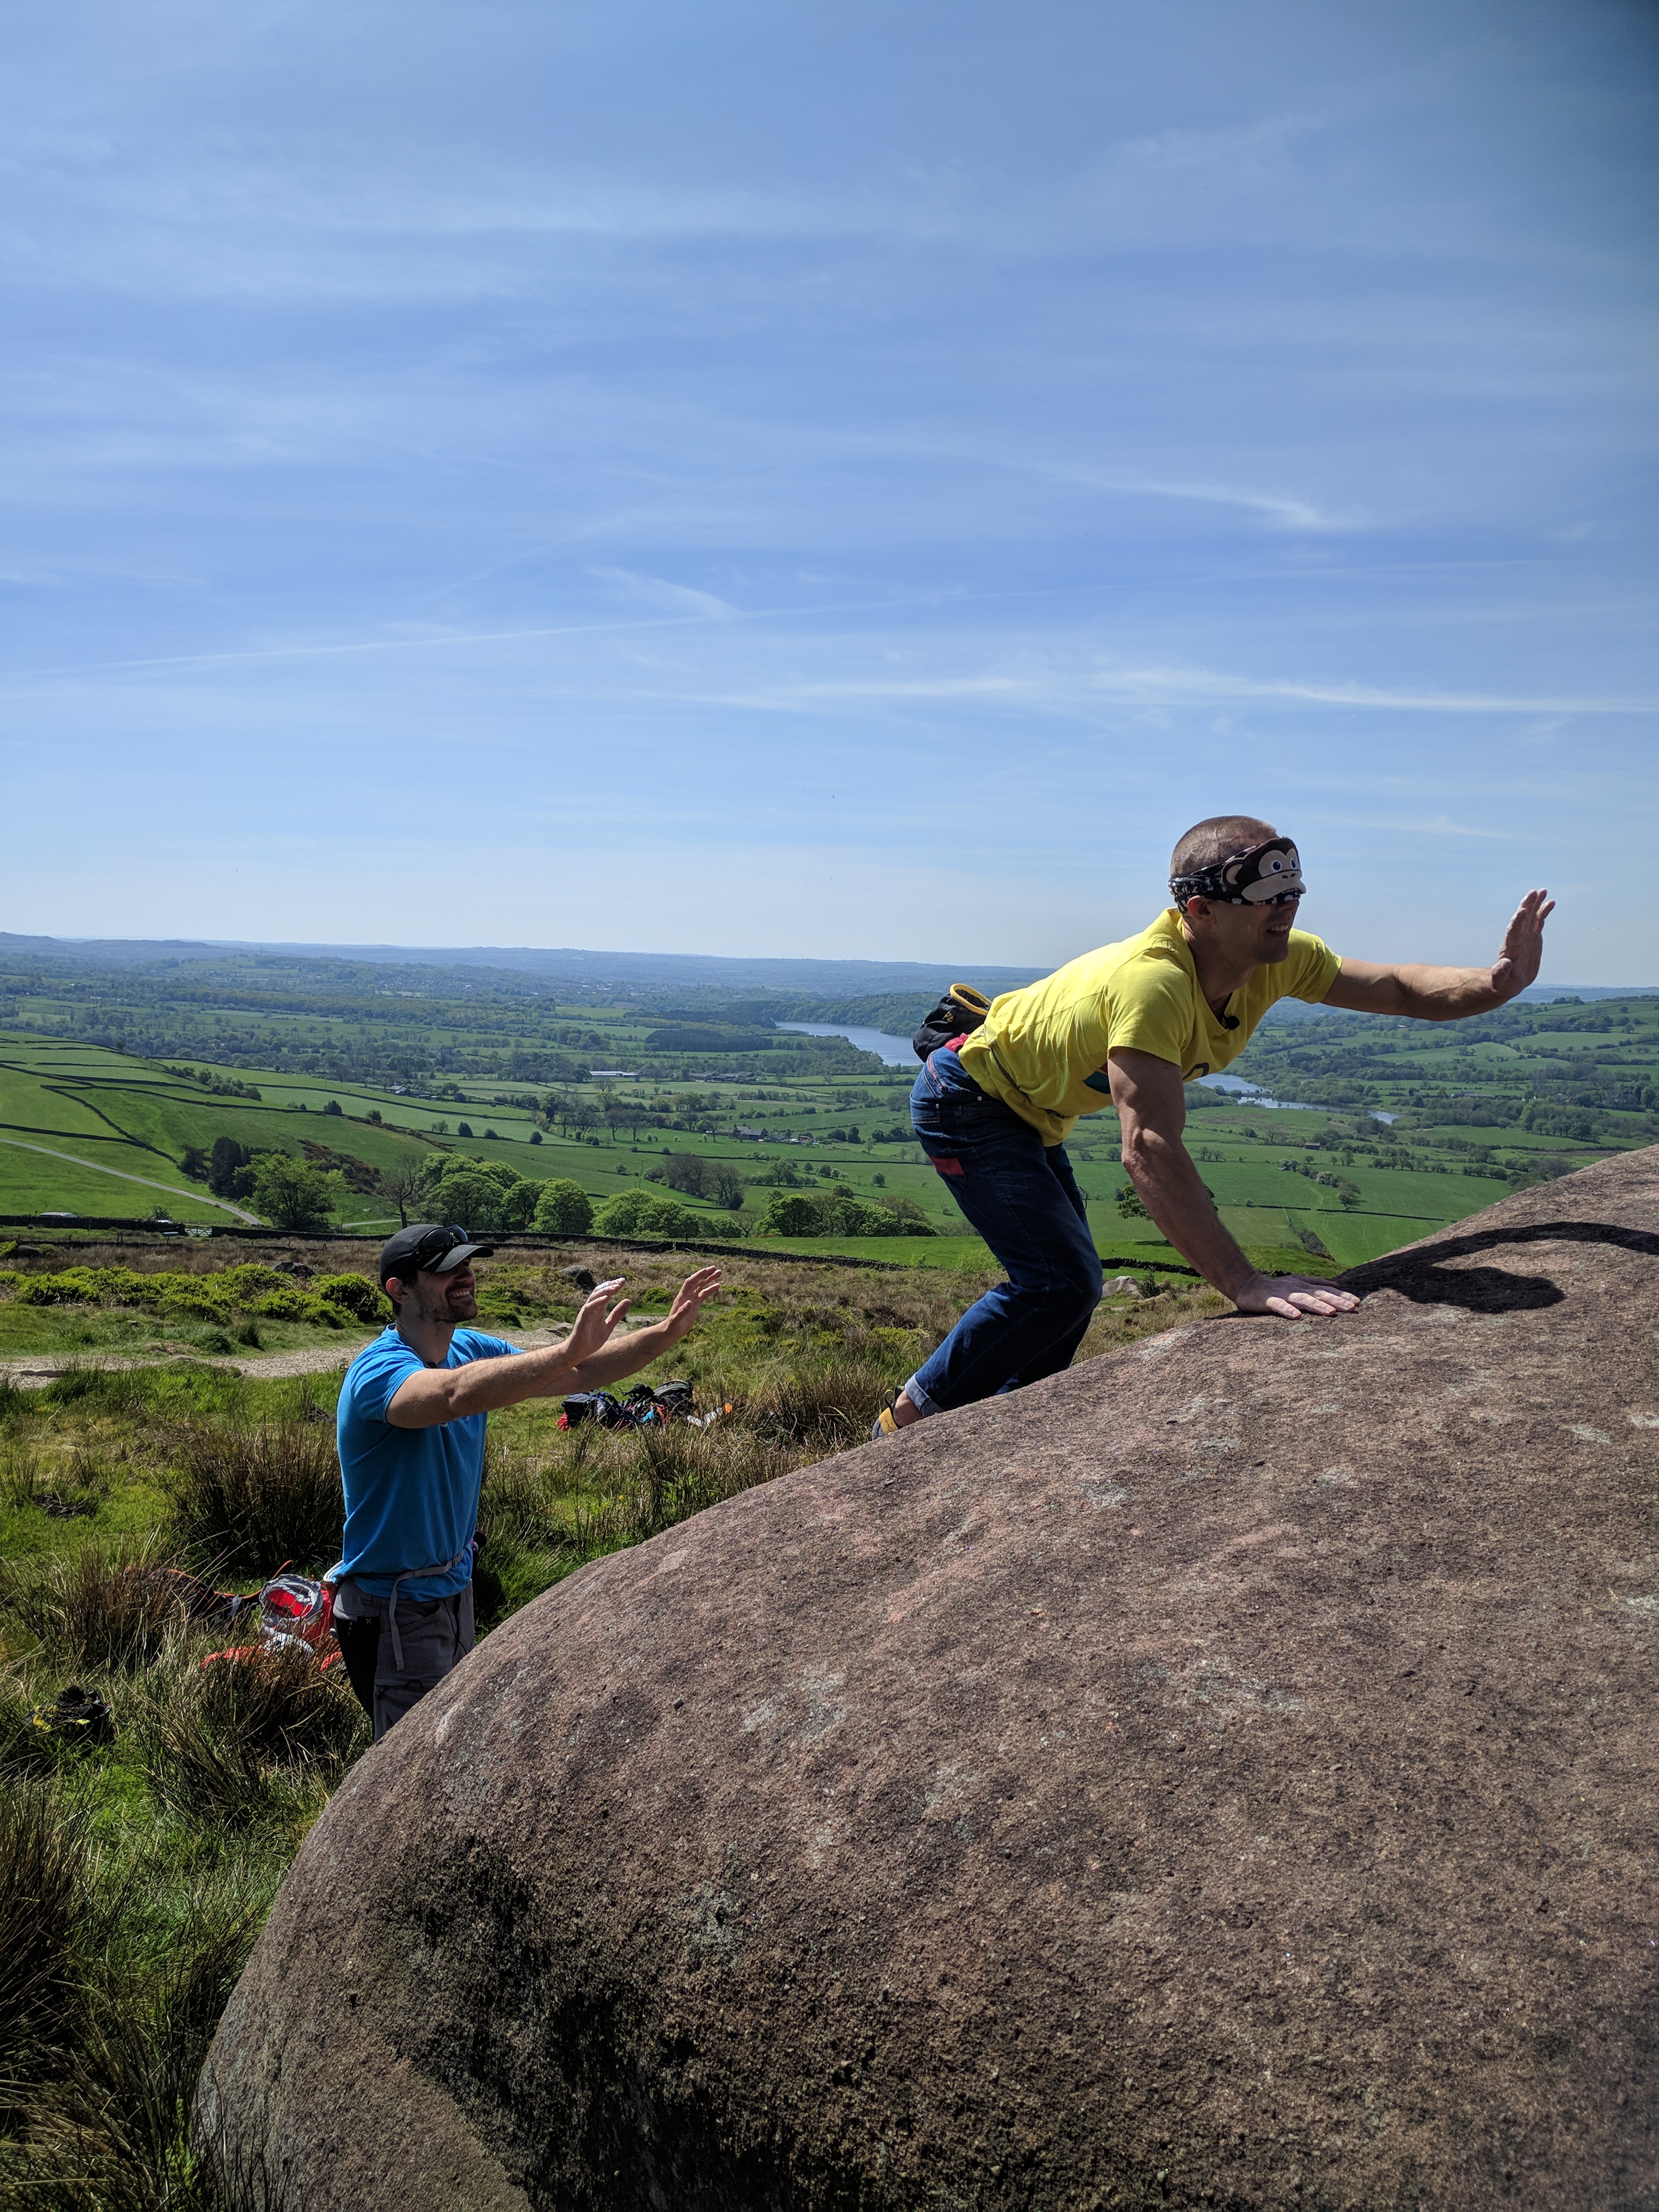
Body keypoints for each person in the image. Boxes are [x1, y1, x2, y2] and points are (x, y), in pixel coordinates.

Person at [873, 815, 1553, 1435]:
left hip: (1031, 1111)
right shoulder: (1153, 986)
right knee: (1059, 1283)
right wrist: (1242, 1281)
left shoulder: (1278, 958)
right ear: (1199, 909)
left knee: (1066, 1288)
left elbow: (1399, 988)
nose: (1288, 908)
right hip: (968, 1100)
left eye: (1294, 894)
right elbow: (1148, 1148)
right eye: (1269, 898)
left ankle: (994, 1427)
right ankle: (905, 1426)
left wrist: (1495, 984)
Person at [332, 1223, 721, 1741]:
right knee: (414, 1761)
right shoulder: (377, 1372)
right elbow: (452, 1397)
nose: (465, 1276)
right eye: (446, 1270)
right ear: (398, 1290)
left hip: (453, 1589)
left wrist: (666, 1333)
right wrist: (564, 1352)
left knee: (452, 1744)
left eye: (468, 1264)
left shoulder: (469, 1347)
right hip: (395, 1608)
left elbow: (578, 1377)